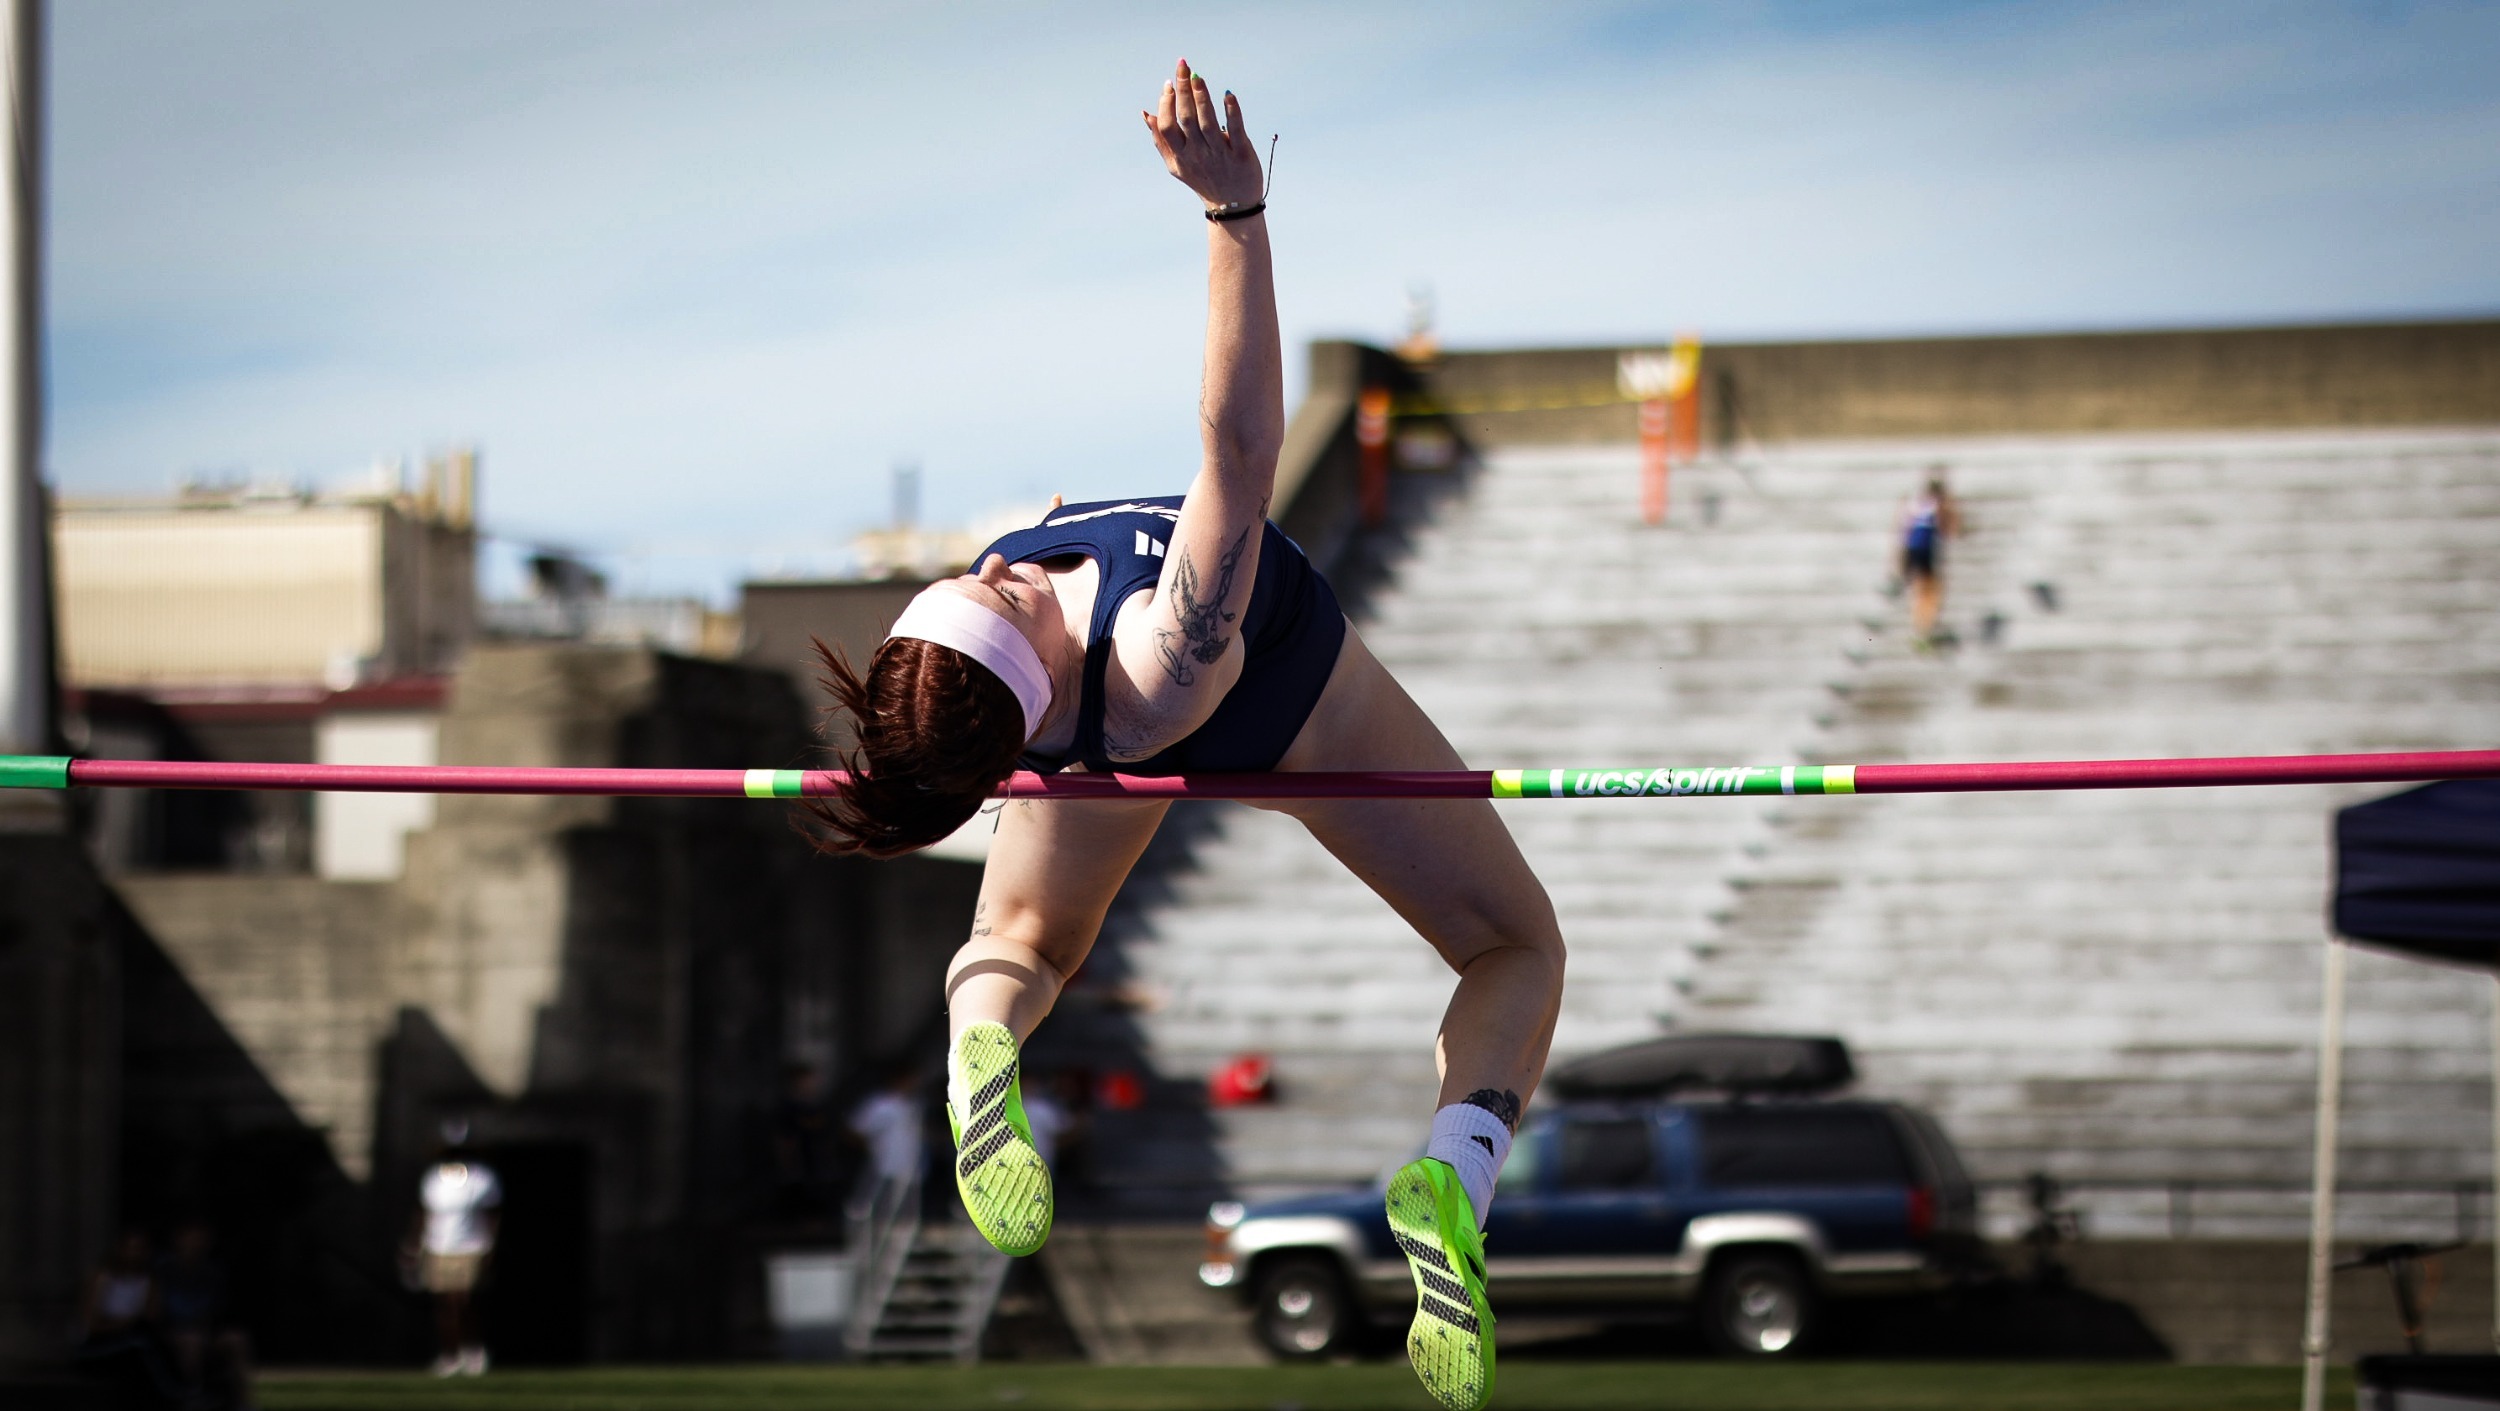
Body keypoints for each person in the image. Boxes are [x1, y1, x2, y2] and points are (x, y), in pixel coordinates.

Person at [805, 60, 1564, 1411]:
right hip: (1295, 705)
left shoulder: (998, 686)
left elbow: (962, 660)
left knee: (1020, 942)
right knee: (1516, 941)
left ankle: (983, 1048)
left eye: (978, 574)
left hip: (1083, 749)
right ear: (1028, 668)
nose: (1000, 571)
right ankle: (1455, 1171)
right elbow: (1240, 446)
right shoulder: (1171, 636)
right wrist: (1237, 218)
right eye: (999, 597)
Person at [408, 1122, 500, 1377]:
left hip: (471, 1246)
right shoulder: (433, 1179)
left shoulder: (483, 1178)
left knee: (464, 1300)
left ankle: (473, 1350)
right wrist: (414, 1246)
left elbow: (493, 1216)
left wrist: (490, 1246)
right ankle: (450, 1354)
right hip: (439, 1247)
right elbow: (424, 1214)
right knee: (445, 1304)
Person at [158, 1222, 254, 1410]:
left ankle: (244, 1401)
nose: (196, 1244)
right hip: (174, 1333)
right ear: (179, 1240)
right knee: (192, 1341)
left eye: (201, 1239)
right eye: (192, 1238)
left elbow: (217, 1311)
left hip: (206, 1331)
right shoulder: (163, 1270)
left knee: (237, 1340)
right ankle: (193, 1395)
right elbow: (157, 1311)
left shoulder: (212, 1272)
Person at [1898, 468, 1962, 646]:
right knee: (1931, 592)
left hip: (1912, 549)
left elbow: (1903, 528)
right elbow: (1948, 529)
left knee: (1921, 591)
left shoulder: (1914, 503)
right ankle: (1924, 630)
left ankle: (1921, 627)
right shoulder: (1937, 505)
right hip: (1926, 549)